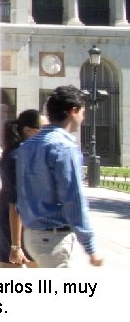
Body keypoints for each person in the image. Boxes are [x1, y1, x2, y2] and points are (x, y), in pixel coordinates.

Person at [16, 85, 104, 268]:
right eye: (83, 112)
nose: (83, 117)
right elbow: (73, 198)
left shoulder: (27, 146)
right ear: (73, 111)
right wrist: (90, 247)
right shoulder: (64, 147)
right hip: (54, 238)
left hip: (32, 234)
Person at [0, 109, 42, 268]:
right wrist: (16, 245)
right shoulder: (19, 157)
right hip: (17, 229)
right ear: (28, 131)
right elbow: (16, 203)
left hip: (20, 227)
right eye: (43, 129)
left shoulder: (19, 153)